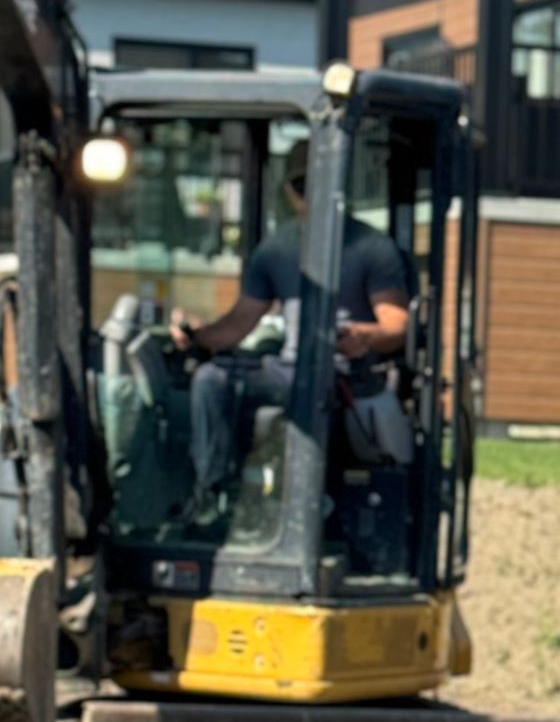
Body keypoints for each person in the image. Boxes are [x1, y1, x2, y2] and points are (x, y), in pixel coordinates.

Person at [169, 139, 411, 518]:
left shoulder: (371, 248)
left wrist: (363, 337)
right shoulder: (276, 250)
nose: (309, 197)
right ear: (288, 191)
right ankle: (216, 494)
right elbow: (238, 323)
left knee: (312, 389)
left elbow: (396, 325)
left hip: (344, 373)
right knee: (211, 380)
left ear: (337, 188)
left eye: (318, 185)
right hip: (287, 370)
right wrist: (197, 336)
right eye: (301, 186)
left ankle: (314, 502)